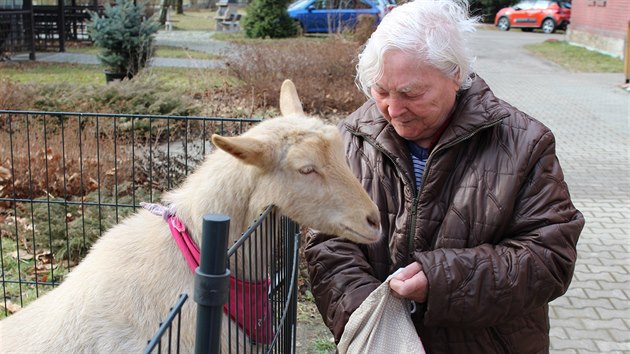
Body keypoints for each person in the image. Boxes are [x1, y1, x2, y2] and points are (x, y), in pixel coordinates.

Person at [303, 0, 585, 352]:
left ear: (455, 74)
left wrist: (442, 280)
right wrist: (370, 317)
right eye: (380, 90)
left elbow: (549, 258)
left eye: (411, 93)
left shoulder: (526, 143)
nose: (393, 108)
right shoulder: (349, 138)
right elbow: (328, 242)